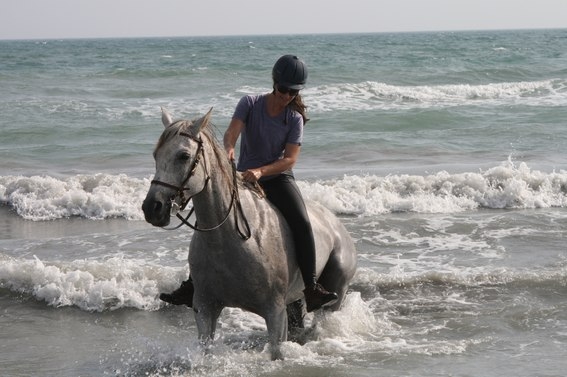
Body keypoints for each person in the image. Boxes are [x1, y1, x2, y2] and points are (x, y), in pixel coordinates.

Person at [160, 55, 338, 313]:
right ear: (274, 83)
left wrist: (261, 171)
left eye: (293, 91)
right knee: (207, 217)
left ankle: (311, 287)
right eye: (283, 89)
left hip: (278, 178)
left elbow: (290, 159)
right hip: (242, 177)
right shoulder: (250, 104)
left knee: (301, 221)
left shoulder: (294, 119)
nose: (287, 95)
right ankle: (193, 284)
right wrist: (229, 149)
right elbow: (232, 133)